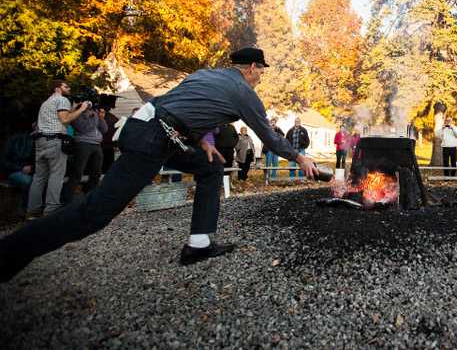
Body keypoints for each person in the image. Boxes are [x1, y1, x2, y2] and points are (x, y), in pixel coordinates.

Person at [0, 48, 318, 282]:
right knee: (94, 214)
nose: (260, 78)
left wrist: (203, 142)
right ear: (251, 68)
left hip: (154, 129)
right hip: (153, 138)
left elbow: (182, 106)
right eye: (260, 71)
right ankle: (10, 252)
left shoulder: (205, 75)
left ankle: (199, 243)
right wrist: (300, 157)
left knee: (208, 168)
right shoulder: (243, 92)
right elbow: (269, 136)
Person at [26, 80, 90, 218]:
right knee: (56, 176)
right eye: (66, 86)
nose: (69, 88)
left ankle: (32, 211)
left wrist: (73, 108)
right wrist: (82, 109)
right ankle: (51, 211)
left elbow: (61, 116)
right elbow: (65, 120)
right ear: (58, 88)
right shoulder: (61, 99)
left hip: (40, 142)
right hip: (55, 141)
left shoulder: (46, 103)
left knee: (39, 178)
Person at [62, 103, 108, 203]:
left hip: (96, 145)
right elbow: (85, 128)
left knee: (96, 172)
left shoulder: (94, 114)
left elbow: (104, 129)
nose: (89, 105)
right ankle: (67, 198)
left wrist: (101, 118)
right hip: (83, 144)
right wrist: (93, 116)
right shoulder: (76, 115)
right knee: (78, 172)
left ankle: (89, 195)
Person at [0, 132, 35, 211]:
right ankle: (24, 209)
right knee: (29, 181)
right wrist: (21, 168)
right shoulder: (12, 141)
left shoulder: (35, 141)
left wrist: (31, 167)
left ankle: (36, 207)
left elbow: (35, 160)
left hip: (28, 171)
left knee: (40, 181)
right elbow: (4, 162)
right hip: (12, 171)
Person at [100, 107, 119, 174]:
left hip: (101, 144)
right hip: (109, 145)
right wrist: (116, 144)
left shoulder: (99, 116)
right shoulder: (114, 118)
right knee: (108, 166)